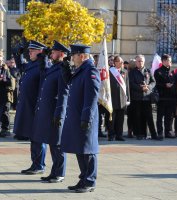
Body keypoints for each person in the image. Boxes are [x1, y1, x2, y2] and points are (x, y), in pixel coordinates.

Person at [60, 44, 100, 193]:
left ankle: (89, 181)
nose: (72, 58)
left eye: (74, 55)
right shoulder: (80, 70)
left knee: (88, 150)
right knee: (80, 148)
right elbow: (70, 83)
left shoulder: (90, 71)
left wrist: (87, 117)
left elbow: (91, 97)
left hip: (85, 117)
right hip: (77, 116)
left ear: (82, 56)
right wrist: (64, 69)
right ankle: (83, 178)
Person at [32, 41, 69, 183]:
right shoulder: (54, 68)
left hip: (56, 112)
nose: (51, 54)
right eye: (51, 52)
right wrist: (43, 57)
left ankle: (59, 173)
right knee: (53, 142)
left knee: (58, 144)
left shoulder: (62, 69)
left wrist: (59, 114)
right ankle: (54, 172)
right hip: (49, 112)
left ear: (61, 54)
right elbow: (43, 71)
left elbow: (63, 94)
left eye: (53, 52)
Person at [14, 40, 48, 174]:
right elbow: (21, 66)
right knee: (33, 137)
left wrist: (43, 57)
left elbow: (44, 70)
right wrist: (18, 55)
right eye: (29, 51)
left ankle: (40, 165)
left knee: (38, 137)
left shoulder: (42, 65)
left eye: (32, 51)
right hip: (28, 106)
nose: (29, 53)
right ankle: (35, 163)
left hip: (36, 107)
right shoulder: (32, 65)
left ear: (40, 52)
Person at [129, 55, 159, 140]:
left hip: (147, 97)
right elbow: (131, 84)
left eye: (141, 61)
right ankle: (139, 134)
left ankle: (154, 134)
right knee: (138, 116)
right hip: (137, 98)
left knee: (149, 116)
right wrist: (141, 88)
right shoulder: (132, 72)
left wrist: (148, 87)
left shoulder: (148, 71)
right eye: (138, 61)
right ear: (136, 62)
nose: (140, 62)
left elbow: (153, 82)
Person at [154, 54, 177, 139]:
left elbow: (175, 82)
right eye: (168, 61)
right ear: (163, 61)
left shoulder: (172, 72)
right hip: (162, 97)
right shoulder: (158, 71)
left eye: (170, 61)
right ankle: (160, 132)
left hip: (171, 98)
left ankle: (168, 132)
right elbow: (156, 84)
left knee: (169, 116)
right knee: (160, 116)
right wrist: (165, 85)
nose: (170, 63)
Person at [108, 56, 130, 141]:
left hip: (122, 98)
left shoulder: (124, 71)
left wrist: (128, 98)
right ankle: (111, 135)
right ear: (115, 62)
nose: (121, 63)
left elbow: (127, 86)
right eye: (119, 62)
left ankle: (119, 135)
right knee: (112, 119)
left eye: (122, 62)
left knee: (120, 119)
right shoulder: (110, 71)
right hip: (113, 98)